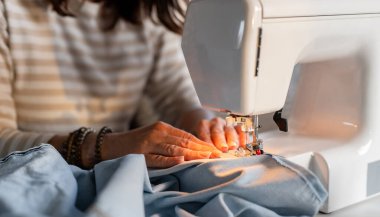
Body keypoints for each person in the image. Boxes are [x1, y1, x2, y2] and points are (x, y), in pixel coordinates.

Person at [0, 0, 241, 169]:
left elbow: (176, 96)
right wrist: (104, 146)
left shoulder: (148, 10)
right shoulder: (8, 9)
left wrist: (204, 124)